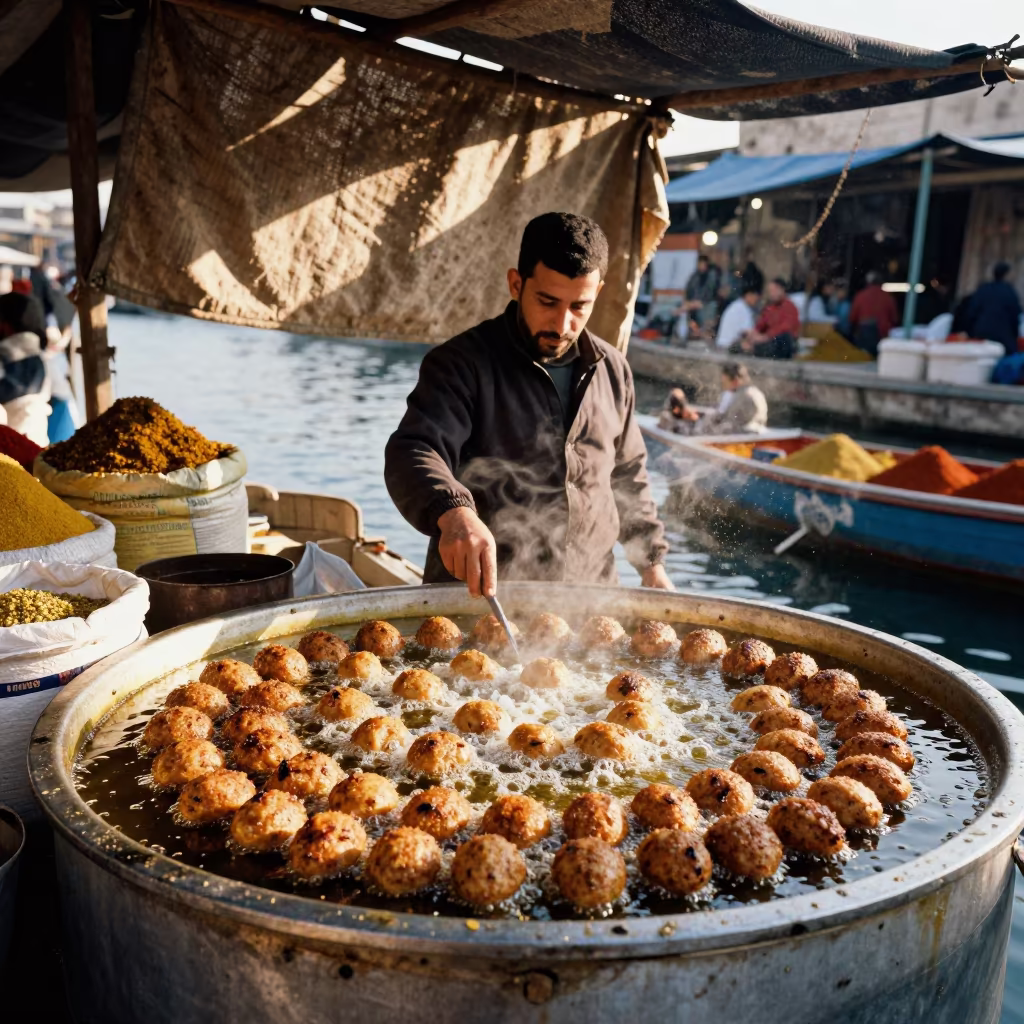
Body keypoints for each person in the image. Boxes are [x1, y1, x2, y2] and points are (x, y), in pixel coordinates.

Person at [385, 212, 672, 597]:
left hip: (591, 601)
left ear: (598, 293)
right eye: (548, 301)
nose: (562, 323)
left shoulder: (614, 370)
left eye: (578, 307)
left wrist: (652, 565)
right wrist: (454, 511)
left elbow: (628, 475)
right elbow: (416, 449)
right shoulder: (459, 364)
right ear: (516, 284)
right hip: (479, 603)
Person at [657, 363, 768, 436]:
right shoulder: (754, 392)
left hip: (739, 438)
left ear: (735, 381)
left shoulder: (745, 397)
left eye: (725, 382)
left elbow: (732, 425)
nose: (723, 386)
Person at [0, 291, 50, 446]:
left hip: (11, 453)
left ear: (6, 326)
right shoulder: (42, 360)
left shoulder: (6, 357)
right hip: (38, 447)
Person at [736, 278, 800, 359]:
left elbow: (786, 328)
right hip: (767, 341)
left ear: (782, 290)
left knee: (784, 338)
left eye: (774, 290)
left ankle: (752, 349)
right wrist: (753, 334)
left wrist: (766, 337)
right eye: (770, 291)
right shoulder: (770, 308)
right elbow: (761, 325)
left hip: (780, 342)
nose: (771, 294)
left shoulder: (790, 307)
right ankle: (748, 348)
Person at [966, 262, 1022, 352]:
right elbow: (1015, 317)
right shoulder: (1009, 292)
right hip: (1002, 337)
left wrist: (971, 333)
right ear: (1006, 275)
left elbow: (971, 312)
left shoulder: (983, 289)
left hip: (980, 333)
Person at [849, 271, 899, 355]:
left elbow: (852, 318)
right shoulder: (888, 297)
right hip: (882, 335)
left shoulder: (861, 295)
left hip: (864, 334)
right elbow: (894, 318)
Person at [683, 254, 722, 334]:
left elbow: (712, 291)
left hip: (708, 304)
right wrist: (690, 301)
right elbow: (689, 290)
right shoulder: (695, 276)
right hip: (694, 305)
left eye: (702, 264)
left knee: (707, 325)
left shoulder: (712, 275)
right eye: (699, 264)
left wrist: (701, 302)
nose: (701, 266)